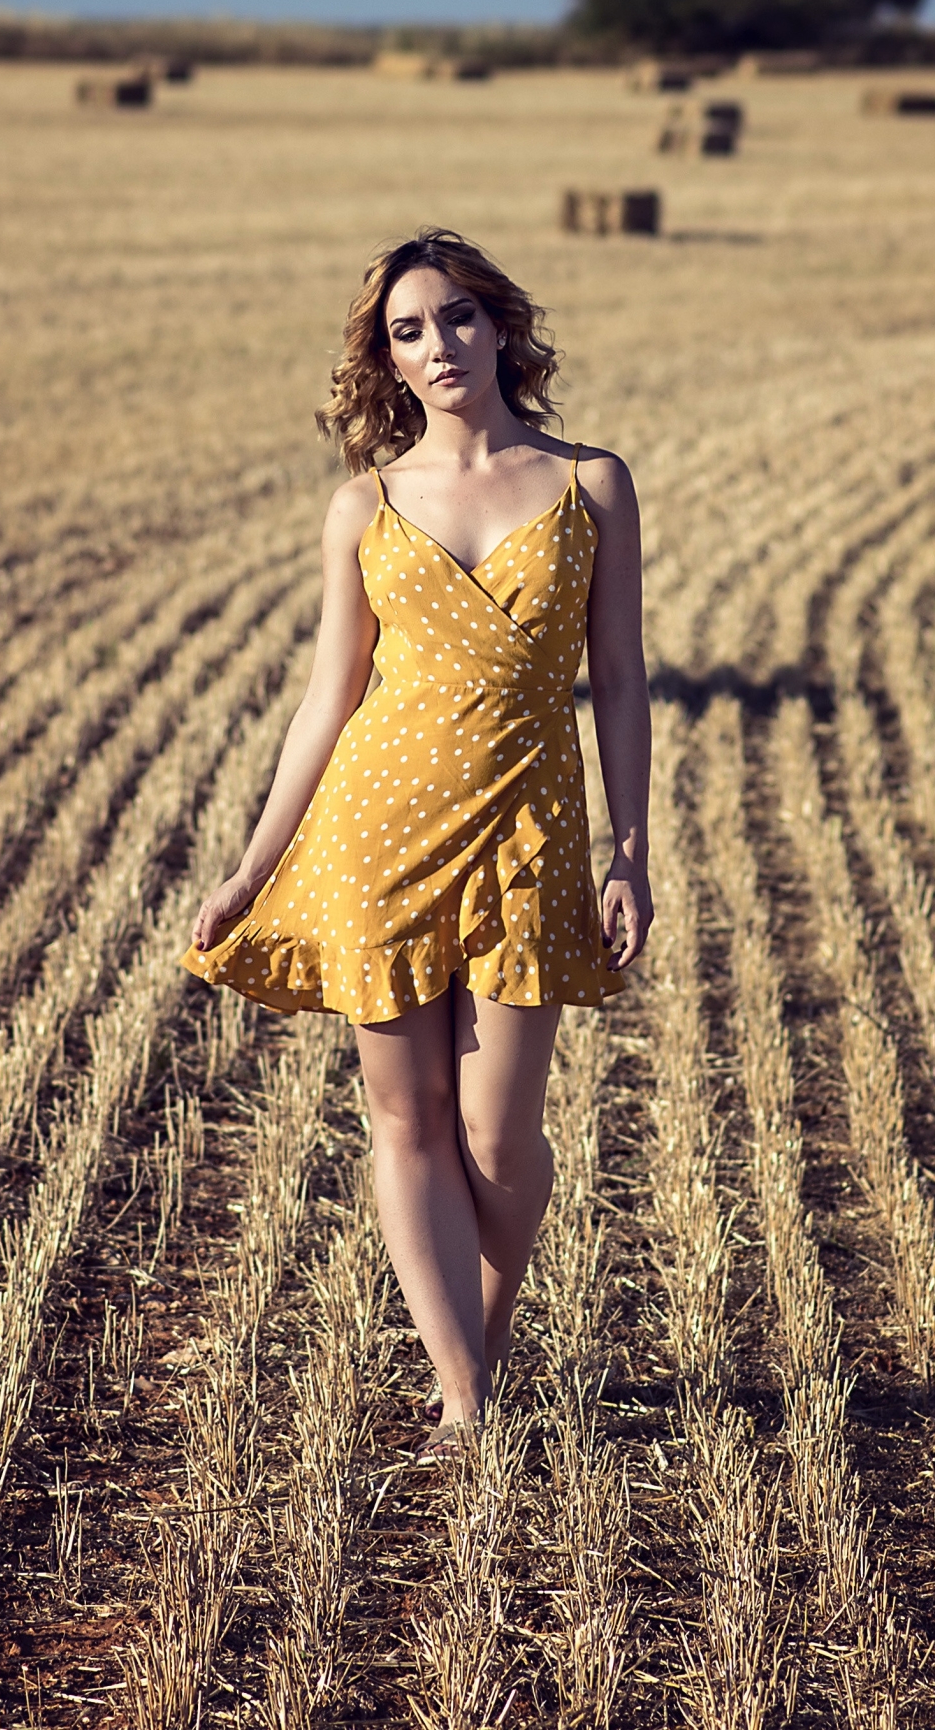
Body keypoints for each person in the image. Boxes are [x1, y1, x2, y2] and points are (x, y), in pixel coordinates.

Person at [185, 227, 652, 1450]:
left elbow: (619, 678)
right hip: (377, 832)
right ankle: (465, 1392)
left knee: (500, 1134)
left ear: (499, 327)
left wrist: (631, 851)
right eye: (407, 331)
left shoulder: (591, 481)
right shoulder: (365, 505)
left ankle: (486, 1331)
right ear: (386, 362)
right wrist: (252, 863)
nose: (435, 345)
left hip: (527, 833)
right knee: (407, 1119)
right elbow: (327, 697)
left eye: (453, 318)